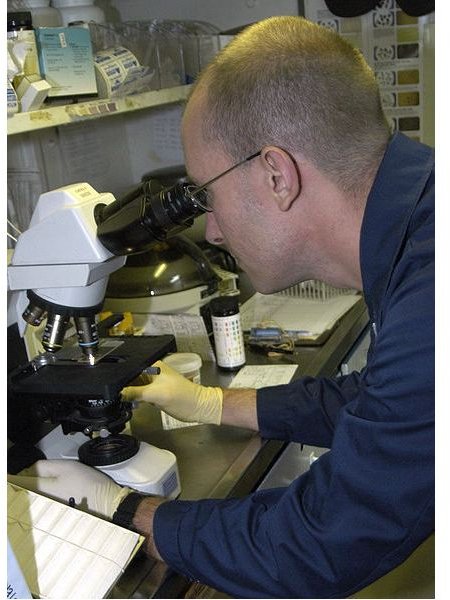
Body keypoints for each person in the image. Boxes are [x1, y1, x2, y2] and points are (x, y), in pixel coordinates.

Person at [8, 16, 434, 598]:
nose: (209, 230)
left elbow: (324, 541)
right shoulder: (422, 231)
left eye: (208, 195)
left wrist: (125, 508)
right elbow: (388, 405)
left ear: (277, 175)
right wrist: (211, 401)